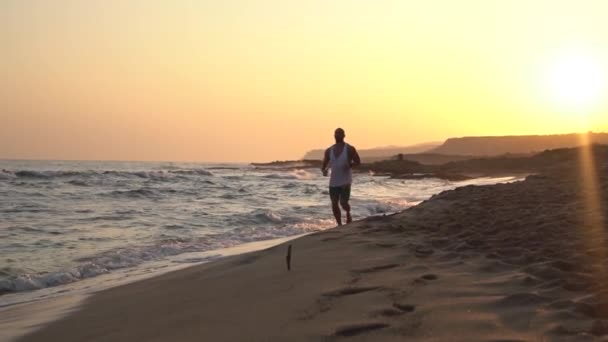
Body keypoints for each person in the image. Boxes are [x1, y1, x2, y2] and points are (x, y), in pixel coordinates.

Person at [321, 128, 361, 225]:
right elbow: (323, 166)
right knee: (334, 203)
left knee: (343, 203)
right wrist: (324, 171)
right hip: (333, 182)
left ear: (344, 135)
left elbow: (358, 162)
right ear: (334, 135)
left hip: (345, 181)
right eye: (336, 134)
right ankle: (339, 224)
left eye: (339, 134)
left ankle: (348, 213)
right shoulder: (329, 150)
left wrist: (350, 165)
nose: (337, 135)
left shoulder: (349, 148)